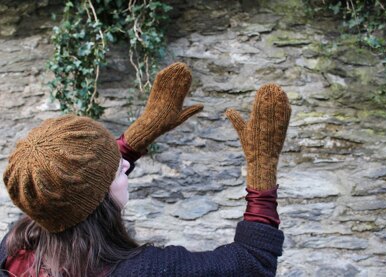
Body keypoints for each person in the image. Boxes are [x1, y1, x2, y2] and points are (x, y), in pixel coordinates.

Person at [0, 62, 291, 276]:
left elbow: (70, 186)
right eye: (117, 171)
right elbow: (252, 263)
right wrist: (261, 169)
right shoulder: (146, 271)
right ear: (98, 202)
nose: (125, 165)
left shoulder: (16, 246)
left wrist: (138, 136)